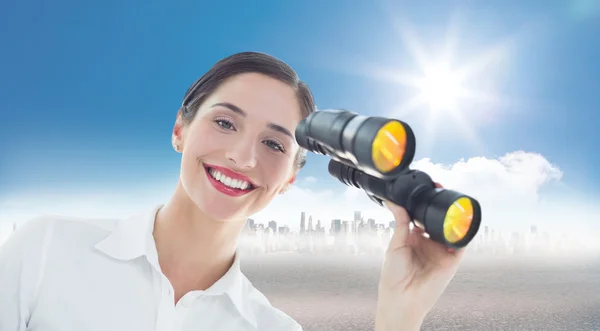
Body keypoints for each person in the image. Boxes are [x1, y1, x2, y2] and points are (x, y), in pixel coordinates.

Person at [0, 52, 466, 331]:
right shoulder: (45, 251)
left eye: (273, 143)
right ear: (180, 129)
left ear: (288, 179)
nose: (244, 157)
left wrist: (399, 315)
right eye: (225, 122)